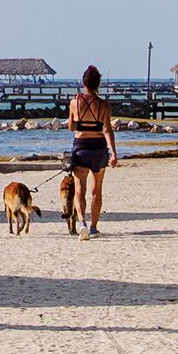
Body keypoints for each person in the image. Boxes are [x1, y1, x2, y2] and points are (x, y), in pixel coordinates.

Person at [65, 64, 118, 237]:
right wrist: (113, 153)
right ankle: (94, 227)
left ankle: (82, 224)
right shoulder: (104, 104)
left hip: (81, 146)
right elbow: (107, 130)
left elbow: (71, 127)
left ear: (83, 83)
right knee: (97, 190)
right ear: (98, 84)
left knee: (80, 190)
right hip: (99, 148)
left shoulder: (75, 102)